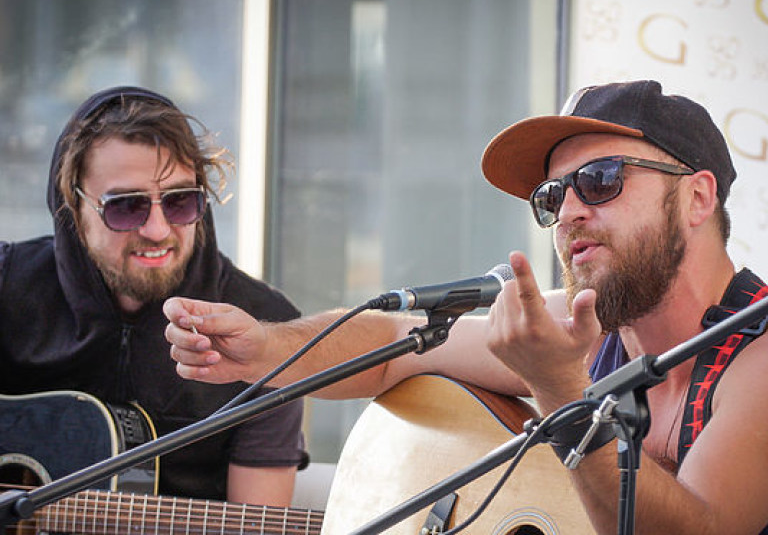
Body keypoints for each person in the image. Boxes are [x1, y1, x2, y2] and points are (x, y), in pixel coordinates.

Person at [164, 80, 768, 534]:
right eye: (551, 195)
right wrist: (264, 349)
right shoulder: (584, 328)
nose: (570, 212)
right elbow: (395, 346)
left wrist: (561, 392)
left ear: (696, 195)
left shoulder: (758, 354)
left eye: (602, 179)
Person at [0, 86, 308, 507]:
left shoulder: (266, 332)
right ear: (73, 205)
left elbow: (258, 522)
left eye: (181, 201)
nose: (158, 230)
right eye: (126, 206)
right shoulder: (7, 286)